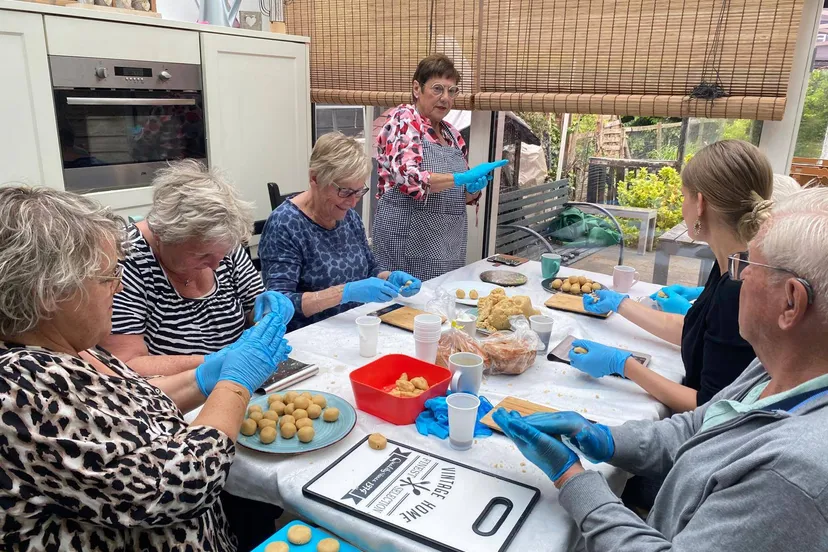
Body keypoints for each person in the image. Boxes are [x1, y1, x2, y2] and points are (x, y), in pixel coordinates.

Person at [494, 187, 828, 551]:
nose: (740, 275)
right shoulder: (775, 369)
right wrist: (603, 437)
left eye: (750, 265)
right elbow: (702, 425)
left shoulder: (788, 477)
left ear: (791, 302)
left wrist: (572, 479)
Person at [0, 186, 291, 551]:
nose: (118, 285)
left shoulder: (72, 347)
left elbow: (127, 407)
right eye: (107, 276)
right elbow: (174, 488)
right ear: (49, 292)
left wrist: (204, 377)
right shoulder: (18, 389)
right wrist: (235, 384)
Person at [574, 140, 773, 413]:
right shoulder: (731, 263)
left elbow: (710, 406)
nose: (682, 207)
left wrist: (623, 365)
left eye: (683, 197)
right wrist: (621, 304)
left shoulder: (738, 288)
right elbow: (696, 334)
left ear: (700, 204)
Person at [101, 159, 294, 376]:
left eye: (223, 254)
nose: (216, 265)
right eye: (202, 255)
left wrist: (266, 316)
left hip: (240, 376)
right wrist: (216, 362)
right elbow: (127, 364)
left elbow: (253, 310)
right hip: (172, 389)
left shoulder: (221, 243)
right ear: (162, 235)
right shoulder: (124, 260)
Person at [259, 132, 422, 331]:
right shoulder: (285, 224)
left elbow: (370, 269)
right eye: (344, 191)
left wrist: (388, 278)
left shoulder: (348, 216)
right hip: (309, 335)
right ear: (315, 178)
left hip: (353, 325)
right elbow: (278, 305)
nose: (353, 202)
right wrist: (344, 293)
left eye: (359, 191)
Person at [372, 54, 508, 281]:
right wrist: (460, 178)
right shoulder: (404, 120)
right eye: (437, 89)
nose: (445, 98)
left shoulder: (452, 134)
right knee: (405, 301)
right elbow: (410, 179)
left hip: (446, 247)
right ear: (417, 88)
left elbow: (459, 195)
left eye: (452, 91)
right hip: (406, 243)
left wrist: (472, 189)